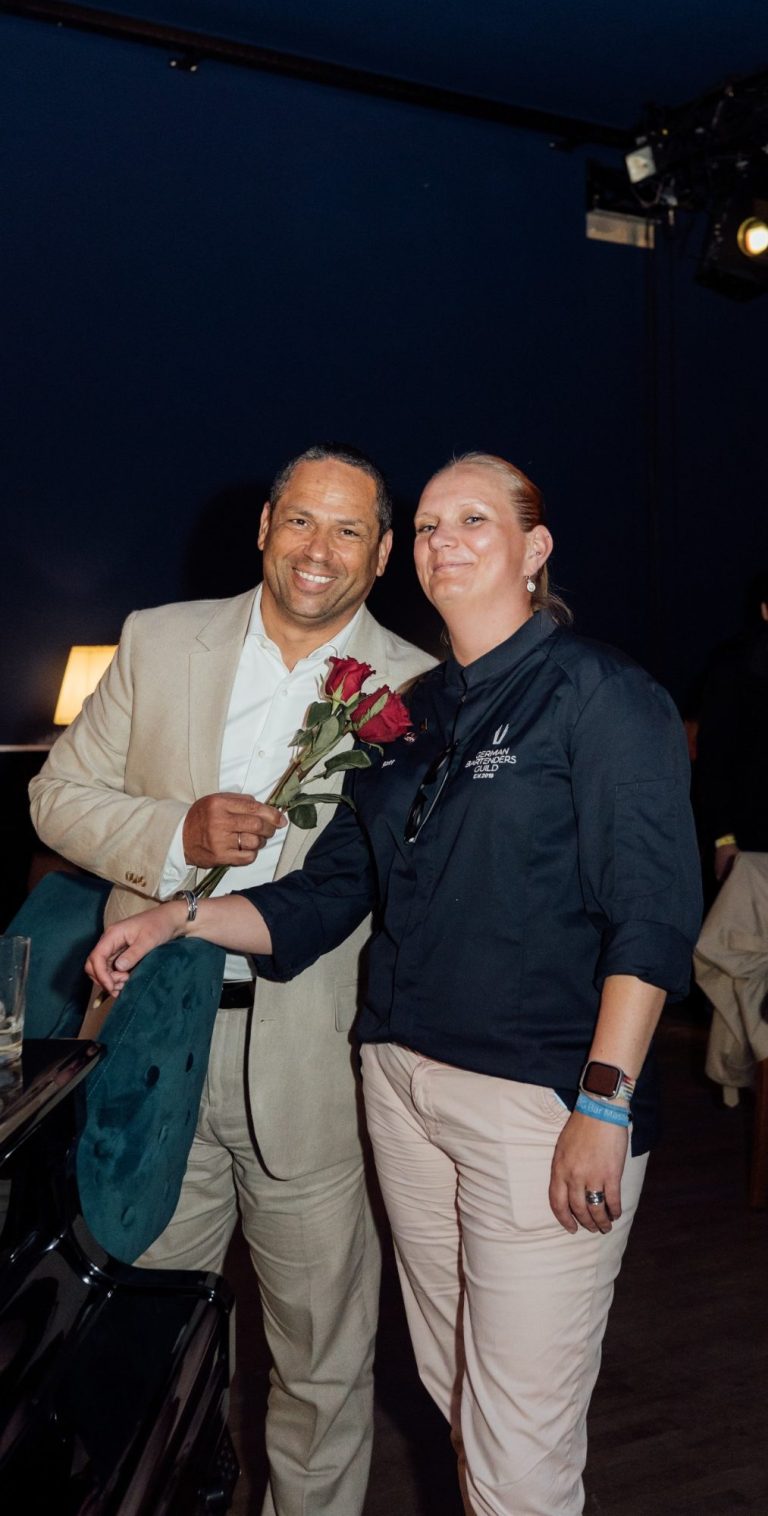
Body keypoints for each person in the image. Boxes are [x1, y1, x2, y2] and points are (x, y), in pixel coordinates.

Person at [86, 452, 702, 1516]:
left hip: (539, 1101)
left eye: (473, 519)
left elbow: (652, 916)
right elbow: (326, 895)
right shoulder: (412, 712)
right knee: (459, 1391)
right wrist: (175, 912)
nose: (442, 541)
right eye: (425, 525)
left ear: (535, 547)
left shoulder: (602, 697)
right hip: (402, 1090)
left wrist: (604, 1097)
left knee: (521, 1442)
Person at [30, 443, 435, 1516]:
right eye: (301, 520)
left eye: (349, 530)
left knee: (319, 1369)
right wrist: (176, 833)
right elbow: (55, 797)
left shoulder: (418, 690)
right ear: (263, 524)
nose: (319, 549)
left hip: (316, 1070)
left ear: (384, 553)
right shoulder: (160, 642)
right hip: (151, 1059)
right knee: (136, 1345)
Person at [696, 569, 768, 886]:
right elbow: (714, 763)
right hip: (753, 847)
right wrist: (724, 841)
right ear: (766, 611)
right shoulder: (734, 669)